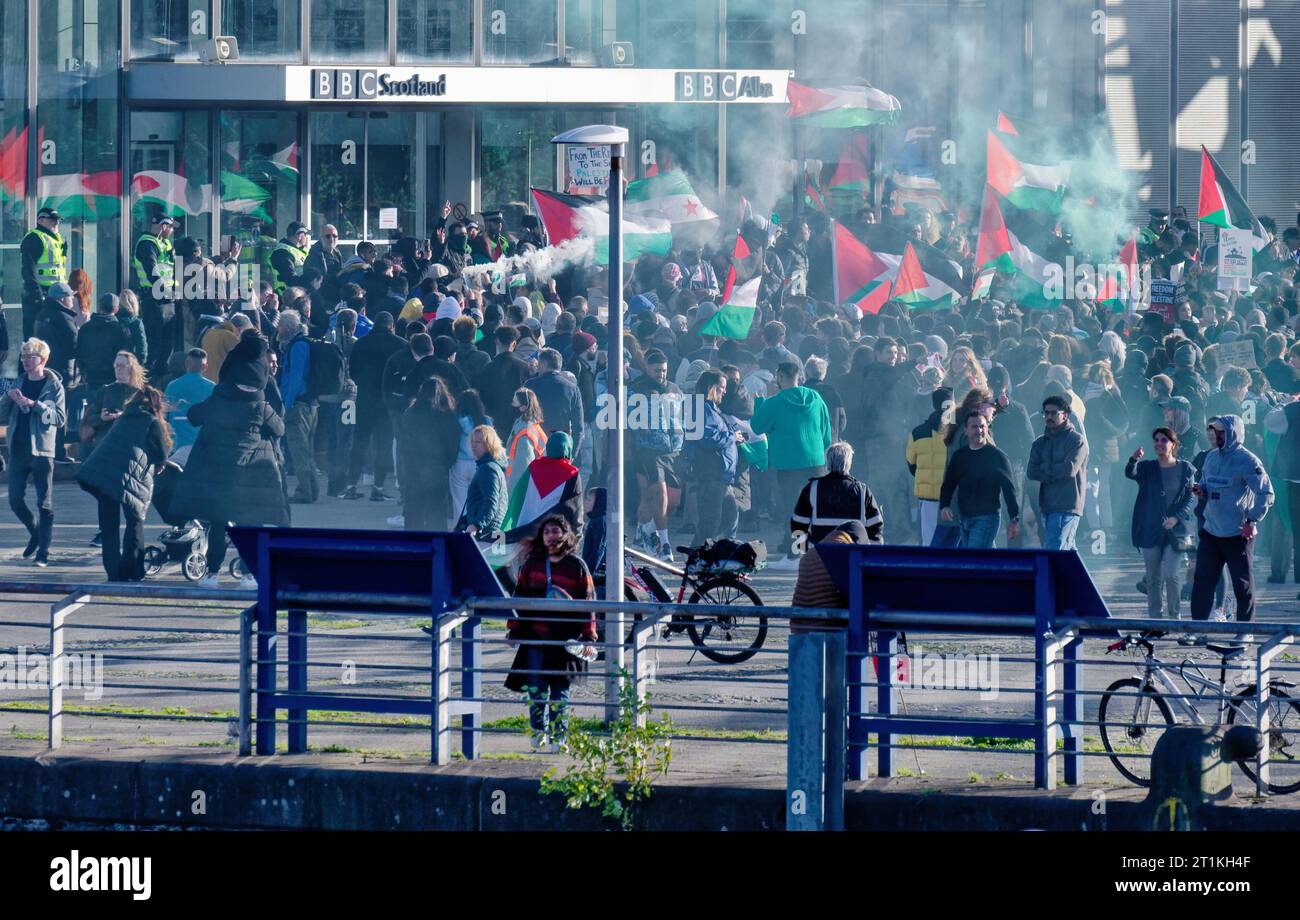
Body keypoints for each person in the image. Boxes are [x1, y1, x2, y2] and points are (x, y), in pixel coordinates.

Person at [171, 332, 289, 587]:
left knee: (218, 521)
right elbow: (279, 429)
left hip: (218, 474)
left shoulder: (219, 398)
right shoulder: (260, 406)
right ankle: (248, 574)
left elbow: (194, 416)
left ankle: (212, 573)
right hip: (251, 475)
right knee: (250, 524)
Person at [504, 514, 597, 751]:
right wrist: (513, 630)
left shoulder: (577, 566)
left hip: (565, 643)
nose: (551, 536)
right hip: (535, 639)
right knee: (536, 690)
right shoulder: (531, 565)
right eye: (547, 532)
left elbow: (588, 603)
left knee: (559, 692)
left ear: (566, 535)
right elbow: (519, 599)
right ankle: (537, 731)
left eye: (556, 531)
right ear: (542, 537)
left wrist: (588, 637)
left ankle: (559, 738)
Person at [76, 387, 172, 581]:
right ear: (156, 405)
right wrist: (158, 464)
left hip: (101, 476)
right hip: (126, 479)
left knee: (109, 525)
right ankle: (133, 570)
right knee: (134, 521)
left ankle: (113, 571)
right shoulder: (151, 422)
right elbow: (161, 454)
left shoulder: (123, 418)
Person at [1190, 415, 1274, 622]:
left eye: (1219, 431)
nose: (1213, 434)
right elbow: (1207, 484)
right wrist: (1201, 490)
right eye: (1212, 430)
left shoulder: (1248, 460)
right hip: (1211, 531)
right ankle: (1196, 628)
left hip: (1238, 533)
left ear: (1232, 433)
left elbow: (1267, 493)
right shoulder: (1210, 457)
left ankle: (1245, 630)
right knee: (1202, 582)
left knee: (1242, 584)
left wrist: (1252, 520)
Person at [753, 360, 834, 562]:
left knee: (793, 508)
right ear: (800, 376)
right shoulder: (815, 397)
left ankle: (796, 553)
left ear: (780, 377)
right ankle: (818, 548)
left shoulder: (774, 401)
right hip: (816, 461)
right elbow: (826, 431)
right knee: (816, 506)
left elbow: (756, 426)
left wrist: (760, 401)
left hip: (788, 464)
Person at [4, 338, 67, 566]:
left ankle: (44, 553)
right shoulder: (18, 382)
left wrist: (35, 405)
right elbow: (3, 415)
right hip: (18, 449)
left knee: (45, 503)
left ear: (42, 359)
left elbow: (59, 419)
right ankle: (36, 532)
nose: (26, 361)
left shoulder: (53, 385)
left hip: (41, 449)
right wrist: (7, 398)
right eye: (23, 357)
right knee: (14, 500)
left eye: (30, 357)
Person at [1125, 428, 1196, 619]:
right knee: (1153, 578)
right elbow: (1130, 473)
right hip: (1150, 529)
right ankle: (1155, 618)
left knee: (1171, 575)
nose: (1159, 443)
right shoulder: (1147, 467)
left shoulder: (1186, 469)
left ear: (1173, 444)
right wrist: (1134, 459)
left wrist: (1177, 517)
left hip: (1176, 531)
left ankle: (1175, 617)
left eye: (1163, 440)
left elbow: (1191, 498)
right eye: (1156, 440)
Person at [629, 348, 685, 558]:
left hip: (673, 450)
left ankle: (640, 535)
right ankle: (664, 544)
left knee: (671, 500)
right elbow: (629, 418)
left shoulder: (675, 389)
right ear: (647, 369)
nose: (661, 374)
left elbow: (683, 416)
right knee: (658, 494)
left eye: (663, 370)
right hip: (648, 450)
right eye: (656, 370)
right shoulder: (638, 390)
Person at [345, 311, 406, 501]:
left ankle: (351, 485)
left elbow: (352, 371)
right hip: (388, 401)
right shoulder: (400, 345)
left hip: (364, 399)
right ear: (391, 325)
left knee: (360, 442)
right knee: (384, 445)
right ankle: (378, 488)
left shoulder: (360, 343)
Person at [789, 442, 885, 563]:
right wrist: (871, 556)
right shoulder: (862, 490)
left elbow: (798, 525)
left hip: (820, 556)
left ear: (828, 462)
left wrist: (805, 552)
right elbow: (876, 526)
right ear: (849, 463)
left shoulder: (812, 488)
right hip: (853, 557)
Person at [938, 411, 1021, 548]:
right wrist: (944, 505)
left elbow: (1009, 490)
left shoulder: (997, 457)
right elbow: (948, 483)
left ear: (987, 429)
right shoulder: (960, 456)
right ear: (966, 430)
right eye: (974, 427)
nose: (979, 430)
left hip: (987, 518)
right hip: (964, 518)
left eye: (982, 426)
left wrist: (1014, 519)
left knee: (973, 560)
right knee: (983, 561)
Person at [1027, 394, 1089, 550]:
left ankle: (1052, 576)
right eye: (1046, 413)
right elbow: (1031, 472)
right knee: (1067, 554)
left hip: (1068, 505)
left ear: (1065, 415)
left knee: (1054, 551)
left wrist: (1045, 468)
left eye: (1053, 412)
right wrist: (1055, 469)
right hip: (1047, 506)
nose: (1048, 416)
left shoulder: (1077, 441)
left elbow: (1069, 470)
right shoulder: (1039, 443)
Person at [399, 376, 461, 530]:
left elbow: (403, 443)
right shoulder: (448, 415)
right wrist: (446, 463)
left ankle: (412, 547)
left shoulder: (410, 413)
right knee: (437, 514)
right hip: (438, 469)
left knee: (413, 513)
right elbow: (453, 443)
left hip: (413, 469)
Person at [691, 370, 745, 543]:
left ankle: (719, 552)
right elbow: (706, 438)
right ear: (710, 387)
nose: (725, 391)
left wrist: (734, 436)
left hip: (721, 474)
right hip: (711, 473)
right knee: (710, 522)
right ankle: (697, 556)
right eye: (721, 387)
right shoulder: (701, 408)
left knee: (729, 517)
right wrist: (731, 437)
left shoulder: (713, 409)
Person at [276, 309, 318, 503]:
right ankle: (311, 490)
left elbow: (297, 376)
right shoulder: (301, 343)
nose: (278, 329)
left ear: (288, 327)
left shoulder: (298, 345)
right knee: (306, 450)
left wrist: (288, 402)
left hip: (298, 405)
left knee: (299, 450)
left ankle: (305, 492)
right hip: (309, 404)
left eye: (281, 326)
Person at [906, 387, 953, 547]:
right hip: (954, 498)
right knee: (956, 545)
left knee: (929, 543)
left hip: (928, 499)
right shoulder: (961, 430)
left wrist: (924, 476)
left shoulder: (918, 432)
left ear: (933, 405)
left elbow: (911, 465)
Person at [132, 215, 177, 373]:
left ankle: (161, 379)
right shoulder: (147, 244)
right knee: (155, 343)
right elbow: (152, 272)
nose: (172, 231)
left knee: (167, 344)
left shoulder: (165, 244)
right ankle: (150, 381)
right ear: (164, 226)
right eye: (170, 227)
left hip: (167, 301)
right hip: (154, 299)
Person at [455, 424, 509, 539]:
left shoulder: (488, 469)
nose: (473, 445)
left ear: (489, 444)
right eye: (473, 441)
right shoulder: (493, 466)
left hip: (485, 534)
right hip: (490, 532)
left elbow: (491, 503)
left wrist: (476, 525)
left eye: (479, 441)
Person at [163, 348, 215, 462]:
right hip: (201, 446)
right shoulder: (212, 388)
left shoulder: (172, 386)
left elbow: (164, 416)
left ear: (186, 364)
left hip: (176, 446)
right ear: (205, 367)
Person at [450, 390, 492, 524]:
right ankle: (476, 529)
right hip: (479, 464)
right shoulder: (486, 420)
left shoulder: (457, 420)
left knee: (459, 501)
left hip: (460, 463)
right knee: (479, 499)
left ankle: (460, 528)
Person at [75, 294, 133, 391]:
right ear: (116, 309)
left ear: (100, 307)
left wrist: (83, 372)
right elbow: (127, 355)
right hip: (113, 379)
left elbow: (79, 353)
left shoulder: (85, 328)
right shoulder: (121, 330)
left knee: (93, 405)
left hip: (91, 377)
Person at [505, 387, 548, 495]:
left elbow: (522, 470)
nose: (511, 405)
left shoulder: (525, 435)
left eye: (515, 403)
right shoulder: (530, 426)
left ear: (523, 407)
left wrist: (511, 496)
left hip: (520, 491)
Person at [271, 221, 311, 295]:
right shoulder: (283, 252)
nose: (306, 237)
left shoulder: (300, 250)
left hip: (299, 292)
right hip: (288, 295)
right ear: (299, 235)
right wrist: (310, 283)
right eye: (305, 234)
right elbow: (290, 278)